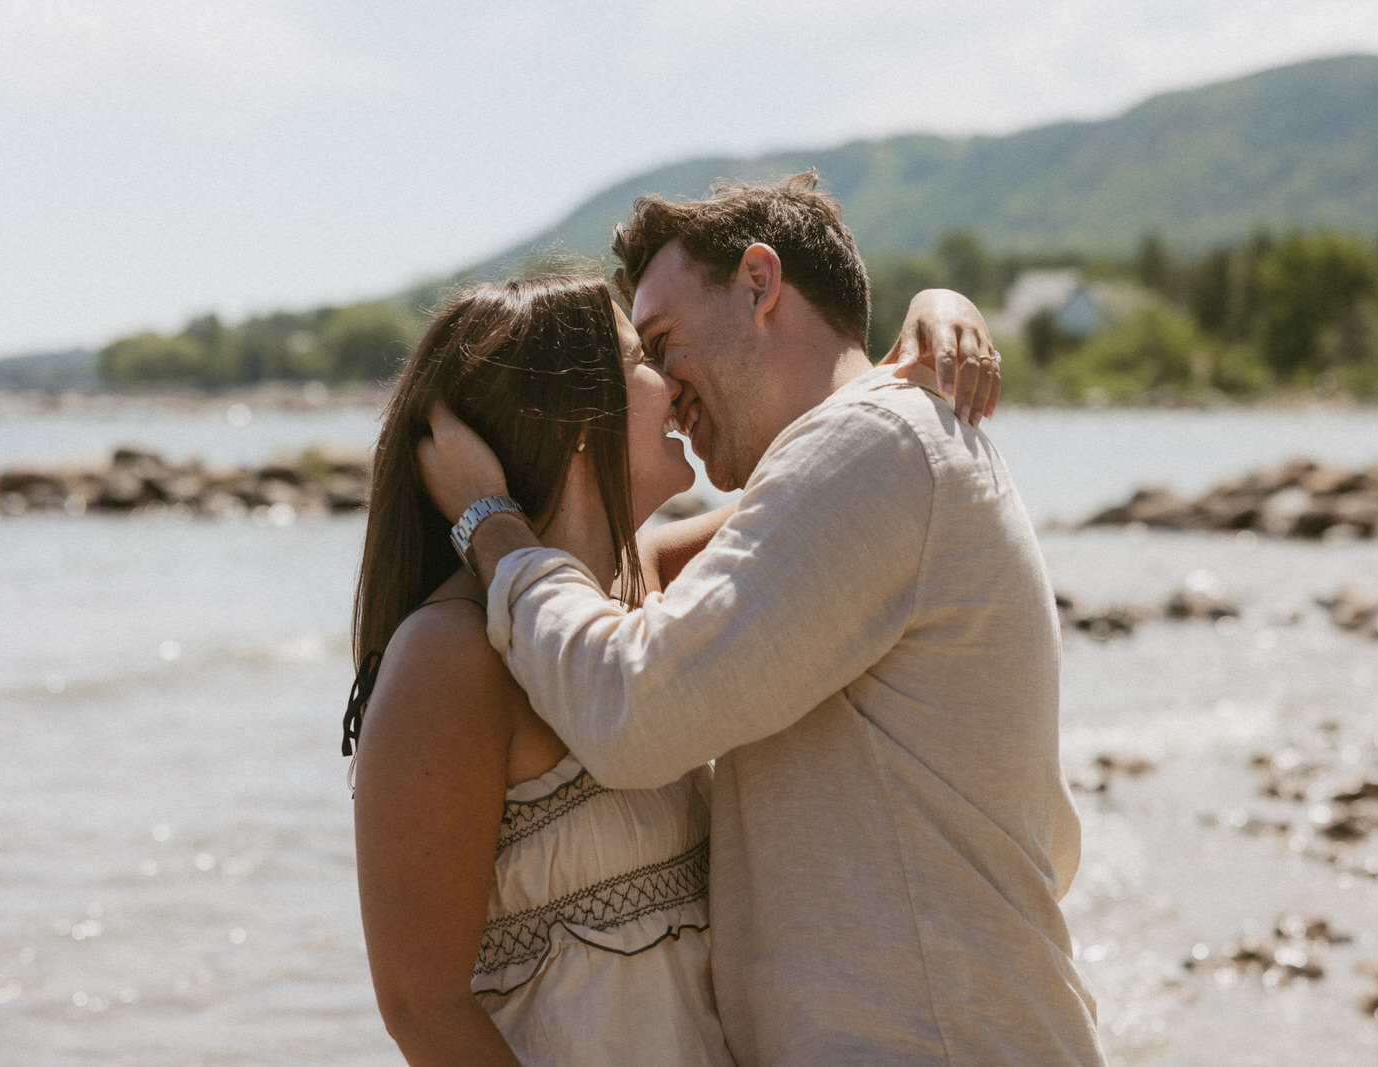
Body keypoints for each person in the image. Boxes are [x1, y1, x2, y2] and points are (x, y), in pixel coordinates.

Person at [420, 174, 1106, 1065]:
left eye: (661, 340)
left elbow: (637, 709)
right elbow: (646, 568)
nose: (663, 389)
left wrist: (492, 523)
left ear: (759, 282)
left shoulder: (875, 447)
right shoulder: (874, 454)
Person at [347, 269, 999, 1064]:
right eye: (643, 358)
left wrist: (936, 314)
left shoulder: (647, 580)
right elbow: (423, 1007)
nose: (673, 381)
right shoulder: (448, 655)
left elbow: (846, 476)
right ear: (577, 414)